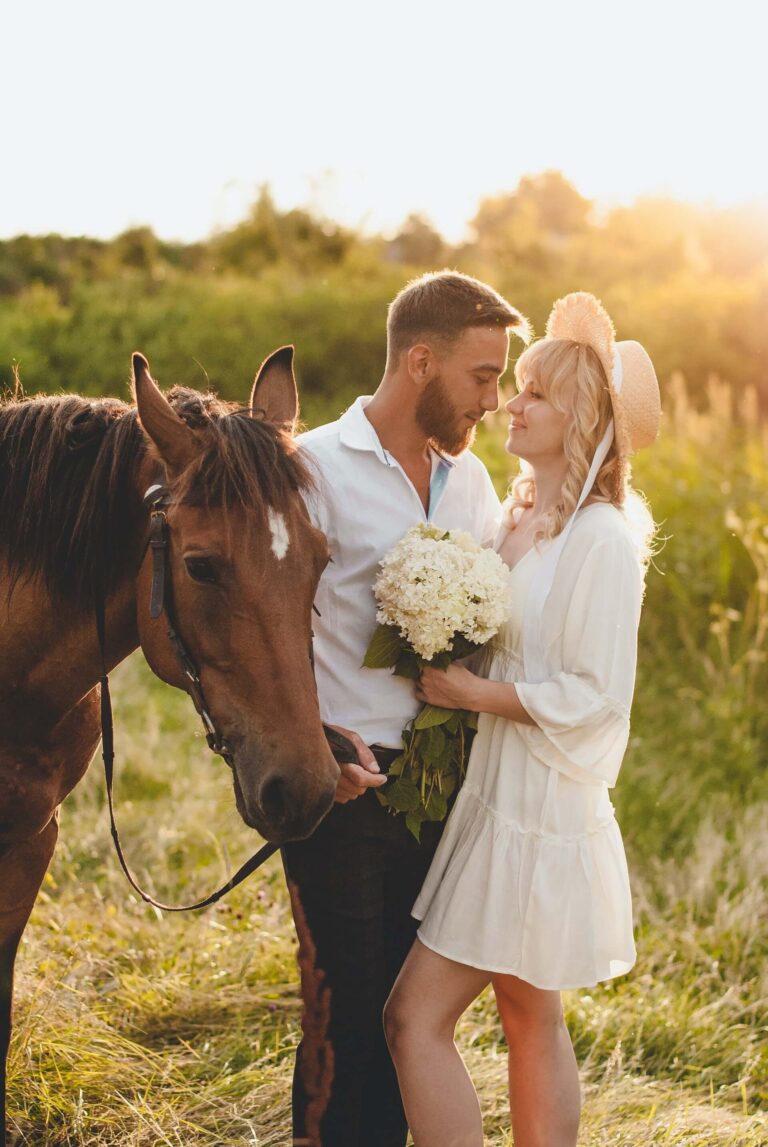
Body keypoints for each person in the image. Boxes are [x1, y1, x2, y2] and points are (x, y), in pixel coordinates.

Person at [383, 292, 661, 1147]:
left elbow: (595, 695)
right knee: (528, 1014)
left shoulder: (602, 540)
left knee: (412, 1020)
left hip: (539, 809)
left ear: (576, 415)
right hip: (496, 792)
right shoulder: (525, 521)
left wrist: (471, 696)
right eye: (516, 387)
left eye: (535, 392)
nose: (512, 403)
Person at [282, 271, 531, 1147]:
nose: (494, 401)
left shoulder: (470, 483)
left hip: (442, 795)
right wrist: (314, 743)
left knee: (411, 1022)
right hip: (344, 787)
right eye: (482, 376)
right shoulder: (310, 467)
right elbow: (264, 634)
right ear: (419, 362)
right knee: (343, 1018)